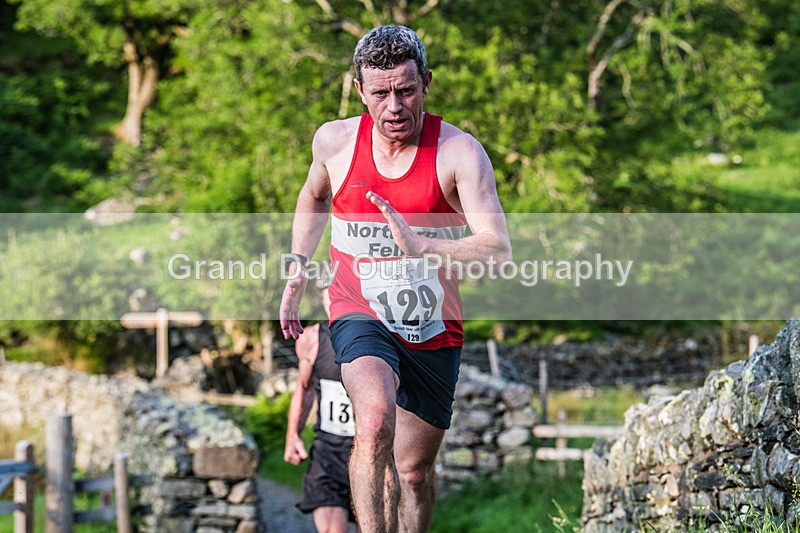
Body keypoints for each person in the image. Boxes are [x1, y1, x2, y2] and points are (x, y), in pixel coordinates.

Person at [279, 24, 512, 533]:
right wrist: (297, 265)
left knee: (412, 470)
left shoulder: (459, 154)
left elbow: (498, 250)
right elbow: (314, 196)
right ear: (360, 90)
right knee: (376, 421)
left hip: (431, 325)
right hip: (356, 306)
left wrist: (423, 245)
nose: (393, 106)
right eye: (380, 92)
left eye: (405, 90)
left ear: (426, 83)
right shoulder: (334, 142)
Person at [284, 281, 356, 533]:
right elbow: (303, 389)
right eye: (328, 294)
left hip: (372, 455)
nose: (333, 301)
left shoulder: (380, 337)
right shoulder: (310, 339)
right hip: (328, 455)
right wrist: (293, 434)